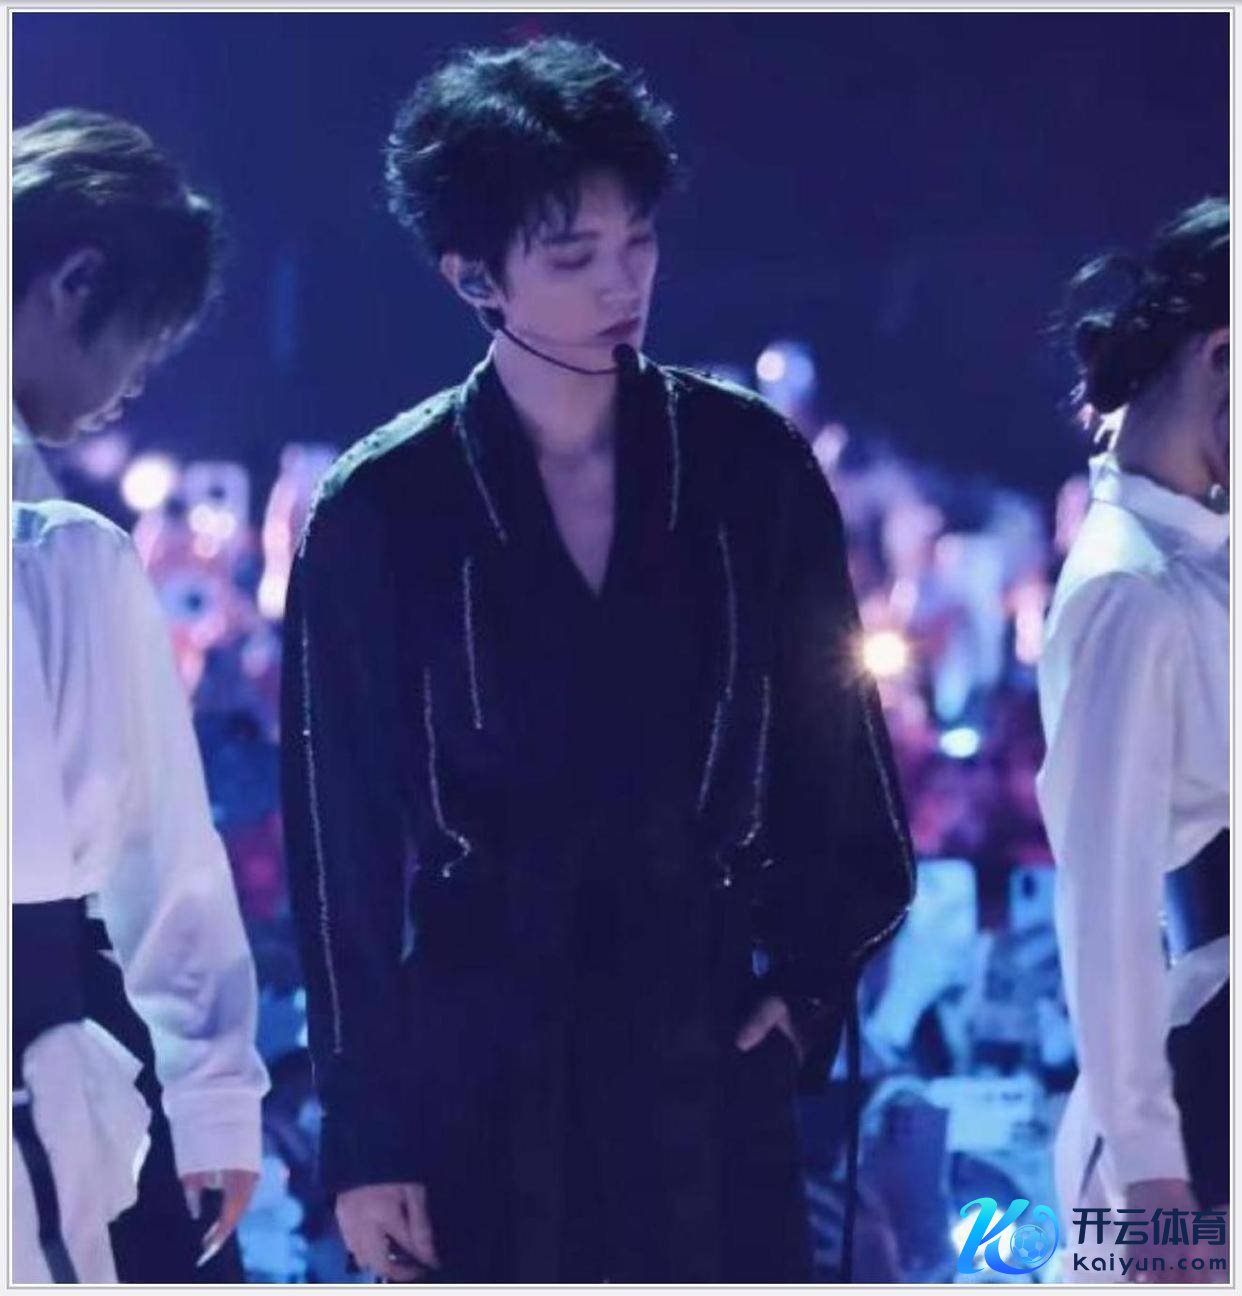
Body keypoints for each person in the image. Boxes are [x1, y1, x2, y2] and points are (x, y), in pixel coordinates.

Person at [282, 37, 914, 1283]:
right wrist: (364, 1136)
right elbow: (338, 846)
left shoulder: (750, 470)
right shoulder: (383, 507)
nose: (623, 282)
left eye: (640, 241)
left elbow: (843, 767)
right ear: (474, 276)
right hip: (479, 1071)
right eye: (573, 257)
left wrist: (806, 989)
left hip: (705, 1051)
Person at [11, 108, 269, 1283]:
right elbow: (159, 860)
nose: (134, 387)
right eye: (145, 344)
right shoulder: (59, 560)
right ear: (74, 282)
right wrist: (212, 1102)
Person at [1037, 198, 1228, 1282]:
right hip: (1198, 1100)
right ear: (1222, 357)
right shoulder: (1128, 589)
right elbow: (1102, 903)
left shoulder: (1202, 555)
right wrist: (1152, 1173)